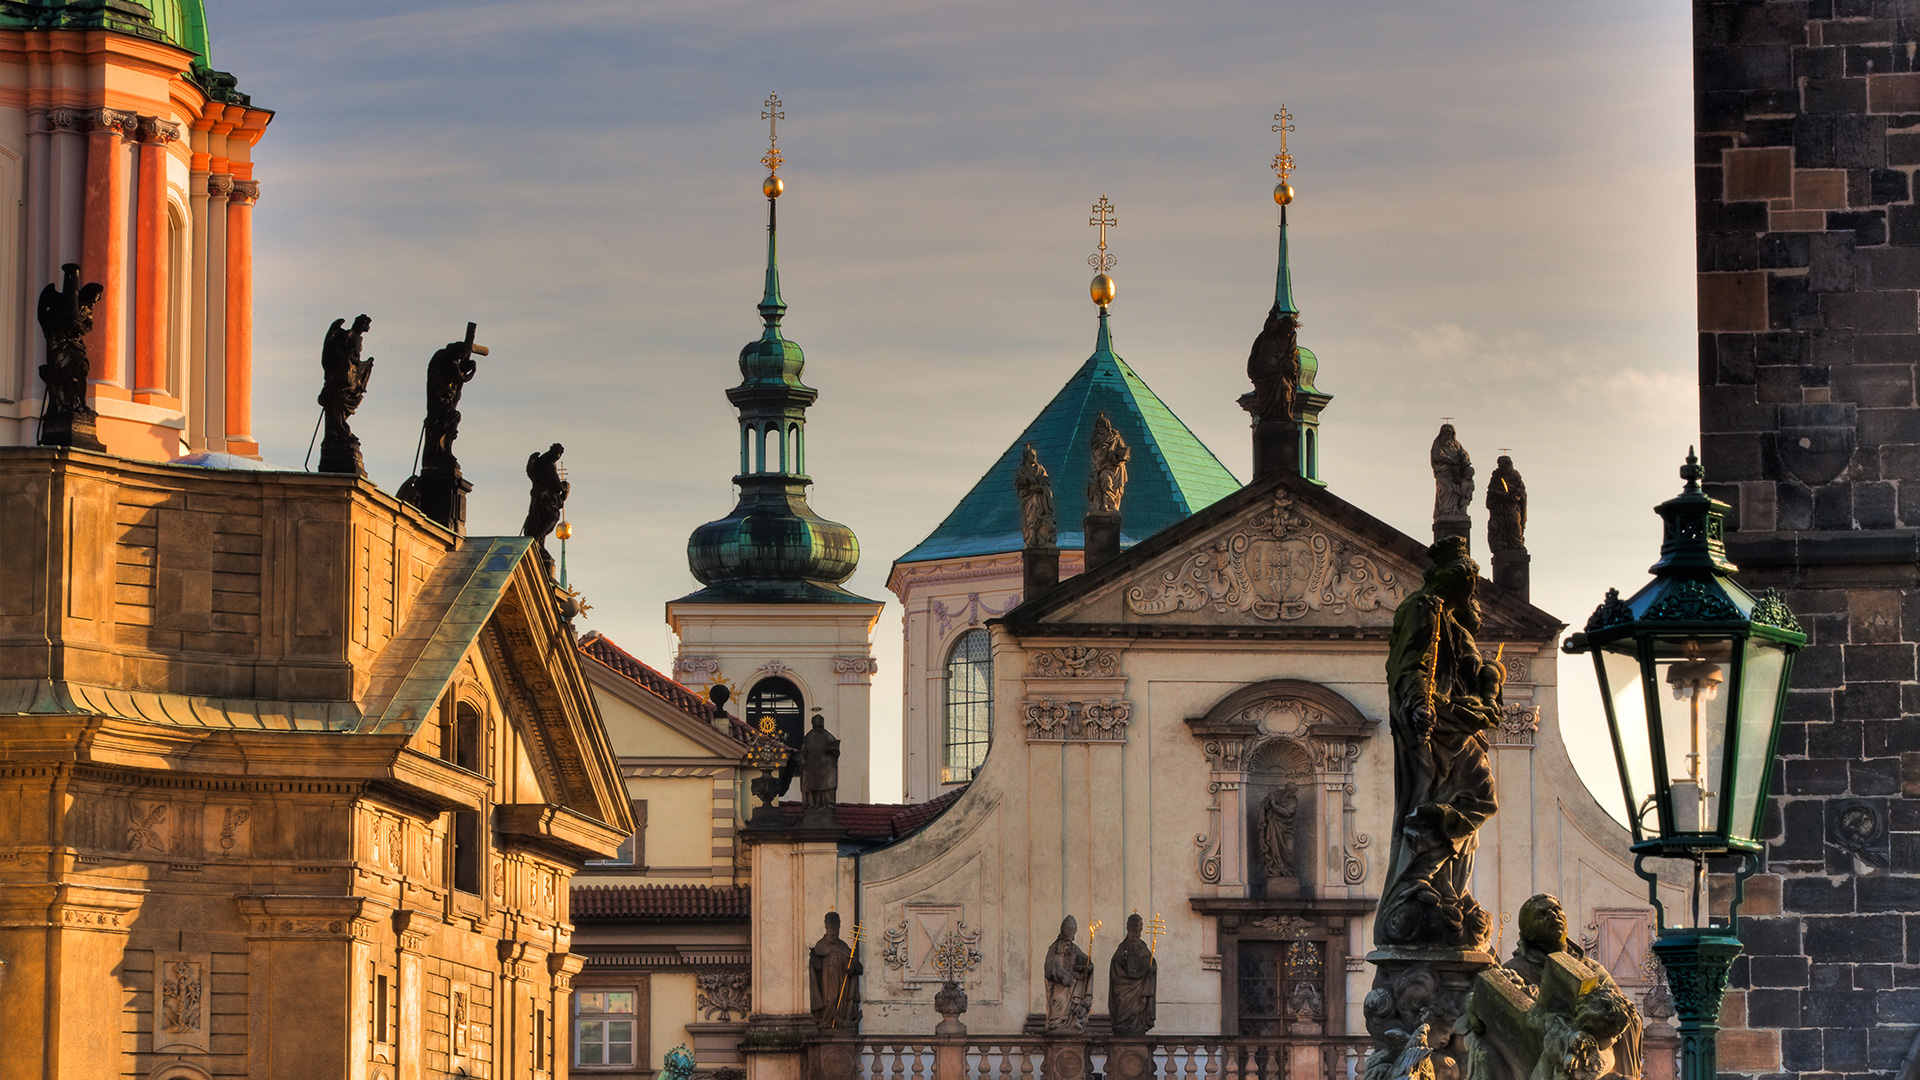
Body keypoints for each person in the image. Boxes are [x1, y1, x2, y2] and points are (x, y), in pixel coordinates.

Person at [1376, 536, 1503, 950]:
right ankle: (1422, 862)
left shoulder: (1451, 621)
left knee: (1474, 797)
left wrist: (1489, 681)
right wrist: (1416, 703)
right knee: (1479, 795)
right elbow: (1411, 662)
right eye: (1466, 574)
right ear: (1447, 577)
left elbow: (1470, 671)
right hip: (1437, 722)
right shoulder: (1422, 609)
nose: (1472, 582)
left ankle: (1439, 876)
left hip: (1458, 721)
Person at [1505, 895, 1642, 1080]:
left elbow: (1624, 1007)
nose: (1554, 915)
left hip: (1598, 1046)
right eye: (1543, 914)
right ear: (1527, 932)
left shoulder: (1590, 967)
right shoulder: (1515, 969)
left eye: (1556, 909)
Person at [809, 912, 861, 1028]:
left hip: (842, 980)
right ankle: (826, 1023)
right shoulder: (820, 946)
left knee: (841, 1002)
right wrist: (814, 959)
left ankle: (837, 1025)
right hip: (827, 980)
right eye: (831, 935)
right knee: (830, 1001)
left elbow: (856, 965)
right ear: (827, 930)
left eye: (835, 934)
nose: (834, 937)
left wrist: (852, 967)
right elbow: (817, 968)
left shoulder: (842, 946)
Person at [1043, 915, 1094, 1032]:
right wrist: (1061, 976)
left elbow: (1085, 960)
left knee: (1074, 1002)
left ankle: (1073, 1022)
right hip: (1060, 985)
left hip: (1073, 983)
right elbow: (1048, 968)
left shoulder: (1075, 948)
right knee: (1059, 999)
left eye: (1072, 932)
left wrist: (1088, 965)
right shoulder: (1054, 948)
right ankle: (1056, 1022)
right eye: (1068, 931)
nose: (1070, 937)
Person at [1107, 914, 1157, 1035]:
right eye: (1133, 926)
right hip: (1123, 984)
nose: (1136, 929)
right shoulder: (1122, 947)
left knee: (1139, 1007)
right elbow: (1115, 963)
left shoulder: (1143, 947)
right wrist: (1122, 960)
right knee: (1122, 1002)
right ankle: (1124, 1024)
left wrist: (1152, 967)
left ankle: (1137, 1023)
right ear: (1128, 927)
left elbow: (1150, 961)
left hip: (1139, 986)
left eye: (1139, 926)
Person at [1014, 444, 1057, 548]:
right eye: (1032, 456)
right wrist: (1028, 480)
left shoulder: (1040, 468)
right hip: (1028, 496)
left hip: (1040, 496)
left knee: (1040, 514)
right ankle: (1032, 536)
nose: (1034, 458)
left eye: (1035, 455)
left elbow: (1046, 480)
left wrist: (1039, 484)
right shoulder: (1022, 469)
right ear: (1026, 457)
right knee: (1031, 516)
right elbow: (1018, 481)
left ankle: (1042, 535)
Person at [1485, 455, 1527, 553]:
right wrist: (1502, 494)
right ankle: (1502, 544)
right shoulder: (1496, 476)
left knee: (1515, 523)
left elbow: (1521, 490)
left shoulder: (1515, 476)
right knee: (1501, 525)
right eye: (1501, 465)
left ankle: (1517, 544)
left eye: (1504, 465)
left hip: (1512, 505)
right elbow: (1492, 490)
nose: (1502, 467)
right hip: (1500, 505)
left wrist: (1516, 495)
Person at [799, 714, 840, 812]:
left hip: (826, 767)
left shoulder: (828, 736)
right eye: (818, 721)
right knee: (812, 785)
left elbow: (835, 749)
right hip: (813, 767)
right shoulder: (809, 737)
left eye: (821, 721)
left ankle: (827, 803)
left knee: (827, 785)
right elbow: (803, 751)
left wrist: (834, 750)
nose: (820, 723)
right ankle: (813, 804)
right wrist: (803, 759)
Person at [1258, 784, 1299, 879]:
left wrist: (1274, 805)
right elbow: (1265, 805)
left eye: (1294, 792)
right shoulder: (1277, 794)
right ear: (1286, 789)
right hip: (1273, 825)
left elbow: (1288, 813)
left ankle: (1288, 871)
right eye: (1291, 792)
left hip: (1287, 829)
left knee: (1290, 853)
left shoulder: (1293, 801)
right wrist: (1268, 802)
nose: (1293, 794)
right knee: (1273, 848)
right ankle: (1276, 869)